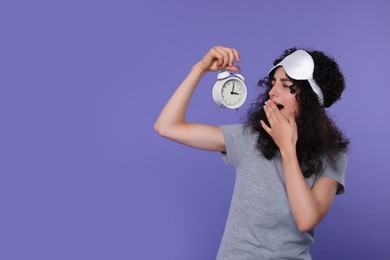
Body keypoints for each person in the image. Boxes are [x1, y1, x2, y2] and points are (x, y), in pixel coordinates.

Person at [154, 46, 349, 259]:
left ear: (310, 99)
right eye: (273, 83)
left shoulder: (332, 157)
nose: (273, 92)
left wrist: (287, 148)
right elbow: (166, 126)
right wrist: (199, 69)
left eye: (286, 86)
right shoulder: (249, 138)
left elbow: (305, 219)